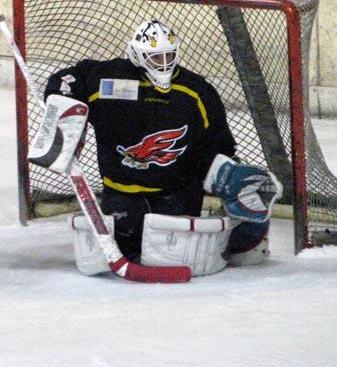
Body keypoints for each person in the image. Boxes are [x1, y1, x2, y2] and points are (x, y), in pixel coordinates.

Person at [29, 19, 282, 277]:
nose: (162, 63)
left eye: (167, 56)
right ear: (137, 54)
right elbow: (67, 78)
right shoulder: (107, 78)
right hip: (122, 192)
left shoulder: (197, 91)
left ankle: (249, 235)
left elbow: (217, 145)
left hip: (176, 193)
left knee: (177, 254)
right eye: (154, 57)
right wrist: (64, 104)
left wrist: (226, 173)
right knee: (126, 245)